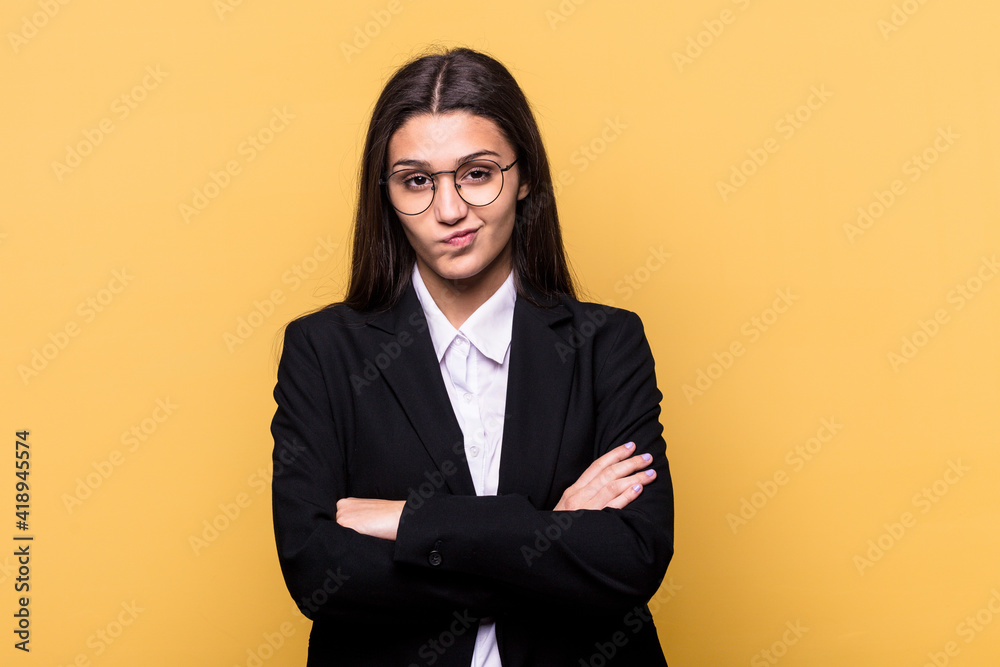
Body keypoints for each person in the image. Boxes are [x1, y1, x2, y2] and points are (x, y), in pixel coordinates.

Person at [270, 46, 674, 666]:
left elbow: (630, 559)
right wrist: (549, 530)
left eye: (478, 174)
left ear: (524, 176)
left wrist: (411, 524)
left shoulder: (606, 344)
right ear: (386, 194)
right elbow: (320, 572)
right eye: (416, 181)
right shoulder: (323, 351)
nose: (450, 210)